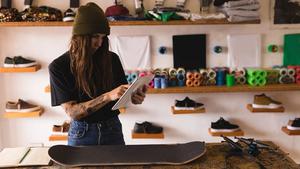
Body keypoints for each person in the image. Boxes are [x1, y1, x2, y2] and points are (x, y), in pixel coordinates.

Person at [48, 2, 147, 146]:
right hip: (82, 134)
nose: (99, 43)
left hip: (112, 129)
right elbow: (72, 112)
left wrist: (134, 97)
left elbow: (120, 97)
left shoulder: (112, 59)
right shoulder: (59, 67)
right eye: (95, 37)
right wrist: (107, 96)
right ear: (80, 36)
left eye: (103, 37)